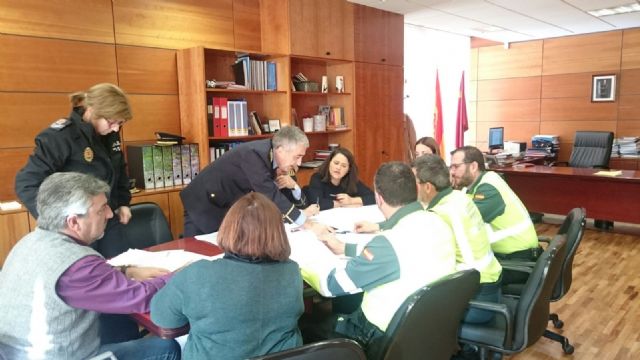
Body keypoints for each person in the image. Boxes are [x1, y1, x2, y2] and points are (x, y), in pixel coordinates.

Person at [0, 172, 179, 360]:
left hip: (18, 352)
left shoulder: (28, 241)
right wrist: (183, 275)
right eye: (102, 209)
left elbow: (82, 279)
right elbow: (141, 297)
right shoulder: (78, 264)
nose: (110, 214)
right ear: (74, 222)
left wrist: (127, 271)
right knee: (166, 347)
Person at [300, 162, 456, 354]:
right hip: (427, 328)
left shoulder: (389, 243)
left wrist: (300, 264)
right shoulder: (437, 221)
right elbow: (400, 253)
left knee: (304, 326)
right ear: (416, 189)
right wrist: (344, 248)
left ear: (378, 198)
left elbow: (331, 285)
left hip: (378, 335)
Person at [151, 192, 304, 359]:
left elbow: (163, 319)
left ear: (228, 228)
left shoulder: (197, 274)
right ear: (278, 232)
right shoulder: (292, 272)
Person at [15, 83, 133, 256]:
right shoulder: (60, 137)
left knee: (121, 269)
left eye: (120, 123)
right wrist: (55, 221)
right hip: (75, 228)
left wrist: (123, 202)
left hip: (107, 219)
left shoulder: (109, 134)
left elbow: (119, 169)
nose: (115, 128)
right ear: (92, 110)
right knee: (87, 278)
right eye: (112, 122)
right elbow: (26, 183)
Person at [180, 126, 324, 236]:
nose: (299, 163)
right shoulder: (254, 155)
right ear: (280, 150)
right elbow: (270, 194)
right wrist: (306, 223)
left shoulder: (271, 156)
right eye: (297, 156)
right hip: (202, 205)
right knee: (199, 254)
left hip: (224, 204)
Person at [413, 154, 502, 323]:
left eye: (414, 182)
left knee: (407, 308)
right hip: (491, 286)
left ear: (427, 187)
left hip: (474, 299)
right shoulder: (459, 197)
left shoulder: (439, 215)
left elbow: (424, 261)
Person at [449, 146, 539, 260]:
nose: (452, 172)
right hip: (506, 254)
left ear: (473, 167)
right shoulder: (474, 185)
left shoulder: (488, 189)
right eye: (451, 167)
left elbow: (462, 223)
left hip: (517, 258)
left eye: (456, 167)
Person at [305, 147, 375, 210]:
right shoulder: (317, 178)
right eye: (336, 163)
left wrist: (351, 201)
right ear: (329, 163)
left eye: (344, 166)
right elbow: (316, 203)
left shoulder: (351, 180)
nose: (338, 168)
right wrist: (341, 204)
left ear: (348, 170)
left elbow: (374, 197)